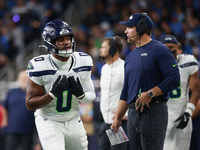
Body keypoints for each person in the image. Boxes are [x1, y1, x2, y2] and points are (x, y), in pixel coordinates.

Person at [111, 12, 180, 150]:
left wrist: (150, 93)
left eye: (129, 27)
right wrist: (118, 117)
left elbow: (174, 78)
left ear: (141, 28)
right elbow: (126, 90)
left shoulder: (160, 50)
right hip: (132, 114)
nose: (125, 31)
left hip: (153, 111)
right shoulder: (130, 57)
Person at [26, 20, 96, 150]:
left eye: (68, 38)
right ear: (50, 42)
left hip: (74, 119)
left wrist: (80, 94)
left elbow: (91, 96)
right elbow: (30, 103)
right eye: (61, 40)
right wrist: (52, 94)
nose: (66, 43)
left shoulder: (83, 61)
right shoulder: (39, 66)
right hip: (49, 120)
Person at [160, 35, 200, 150]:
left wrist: (188, 112)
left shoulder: (188, 62)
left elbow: (196, 90)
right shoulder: (154, 64)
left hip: (183, 114)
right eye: (165, 47)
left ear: (178, 48)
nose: (169, 50)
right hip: (163, 116)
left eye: (171, 47)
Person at [98, 36, 129, 150]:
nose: (100, 49)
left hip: (118, 124)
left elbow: (134, 92)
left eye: (103, 47)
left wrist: (128, 113)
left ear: (113, 49)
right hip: (105, 122)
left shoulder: (124, 68)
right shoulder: (104, 68)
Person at [1, 70, 35, 150]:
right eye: (22, 78)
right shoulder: (12, 92)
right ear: (18, 79)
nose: (24, 80)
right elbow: (4, 107)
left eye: (26, 78)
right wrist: (4, 120)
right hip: (11, 128)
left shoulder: (33, 93)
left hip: (28, 129)